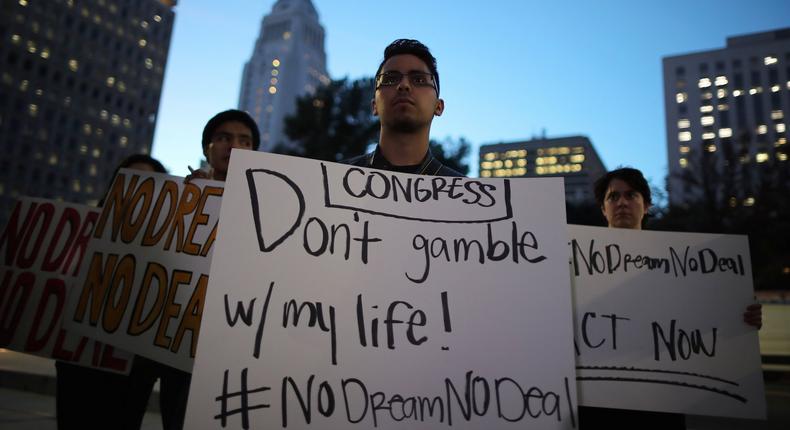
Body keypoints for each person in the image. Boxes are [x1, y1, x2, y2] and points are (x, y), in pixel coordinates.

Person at [579, 167, 763, 429]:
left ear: (646, 206)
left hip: (661, 399)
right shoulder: (574, 262)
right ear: (602, 208)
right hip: (597, 400)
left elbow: (706, 317)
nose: (621, 202)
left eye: (631, 195)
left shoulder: (682, 263)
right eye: (613, 197)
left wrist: (744, 319)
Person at [55, 154, 168, 430]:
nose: (137, 187)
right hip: (79, 360)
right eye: (129, 179)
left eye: (149, 183)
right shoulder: (83, 231)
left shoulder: (171, 245)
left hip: (135, 367)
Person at [345, 39, 462, 177]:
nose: (404, 85)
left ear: (438, 106)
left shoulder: (465, 194)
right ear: (374, 106)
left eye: (419, 79)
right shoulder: (333, 179)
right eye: (389, 79)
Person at [185, 109, 260, 182]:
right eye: (223, 139)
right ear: (206, 149)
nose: (234, 147)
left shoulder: (268, 192)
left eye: (245, 143)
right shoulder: (190, 187)